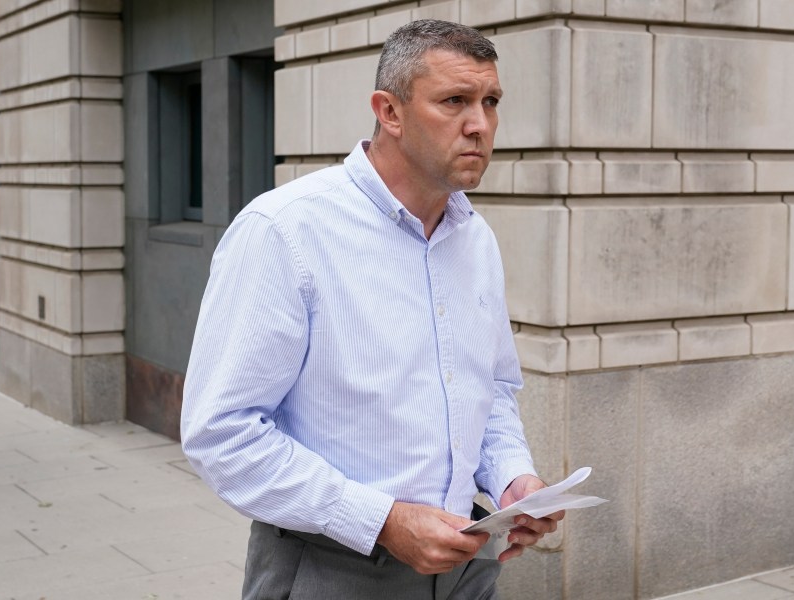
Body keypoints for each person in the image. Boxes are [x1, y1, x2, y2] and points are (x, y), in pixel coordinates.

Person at [181, 19, 564, 600]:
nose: (480, 125)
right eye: (455, 101)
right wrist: (381, 520)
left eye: (491, 102)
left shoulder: (474, 238)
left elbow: (489, 390)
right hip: (332, 567)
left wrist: (512, 479)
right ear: (389, 111)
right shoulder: (284, 230)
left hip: (467, 563)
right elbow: (221, 434)